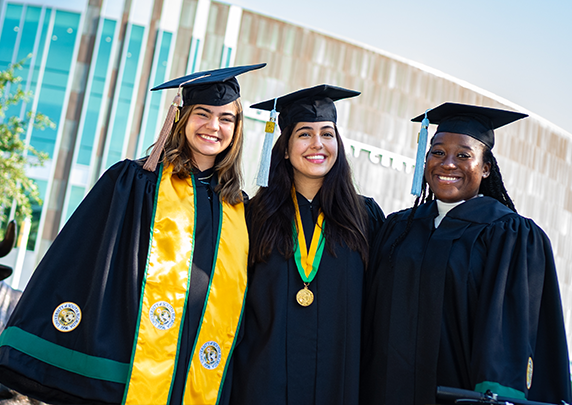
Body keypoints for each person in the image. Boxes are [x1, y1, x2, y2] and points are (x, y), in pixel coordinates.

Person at [0, 63, 265, 404]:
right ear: (180, 117)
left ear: (237, 130)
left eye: (225, 119)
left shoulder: (238, 206)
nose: (213, 126)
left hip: (202, 374)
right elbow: (85, 259)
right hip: (132, 363)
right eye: (202, 114)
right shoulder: (135, 182)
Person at [360, 102, 572, 405]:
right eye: (437, 152)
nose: (448, 163)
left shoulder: (508, 235)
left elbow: (510, 337)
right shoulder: (398, 229)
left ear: (486, 168)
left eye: (463, 155)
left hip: (458, 396)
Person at [231, 85, 385, 404]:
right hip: (262, 383)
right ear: (285, 149)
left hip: (339, 384)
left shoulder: (365, 217)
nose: (318, 144)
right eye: (304, 134)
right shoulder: (252, 217)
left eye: (327, 134)